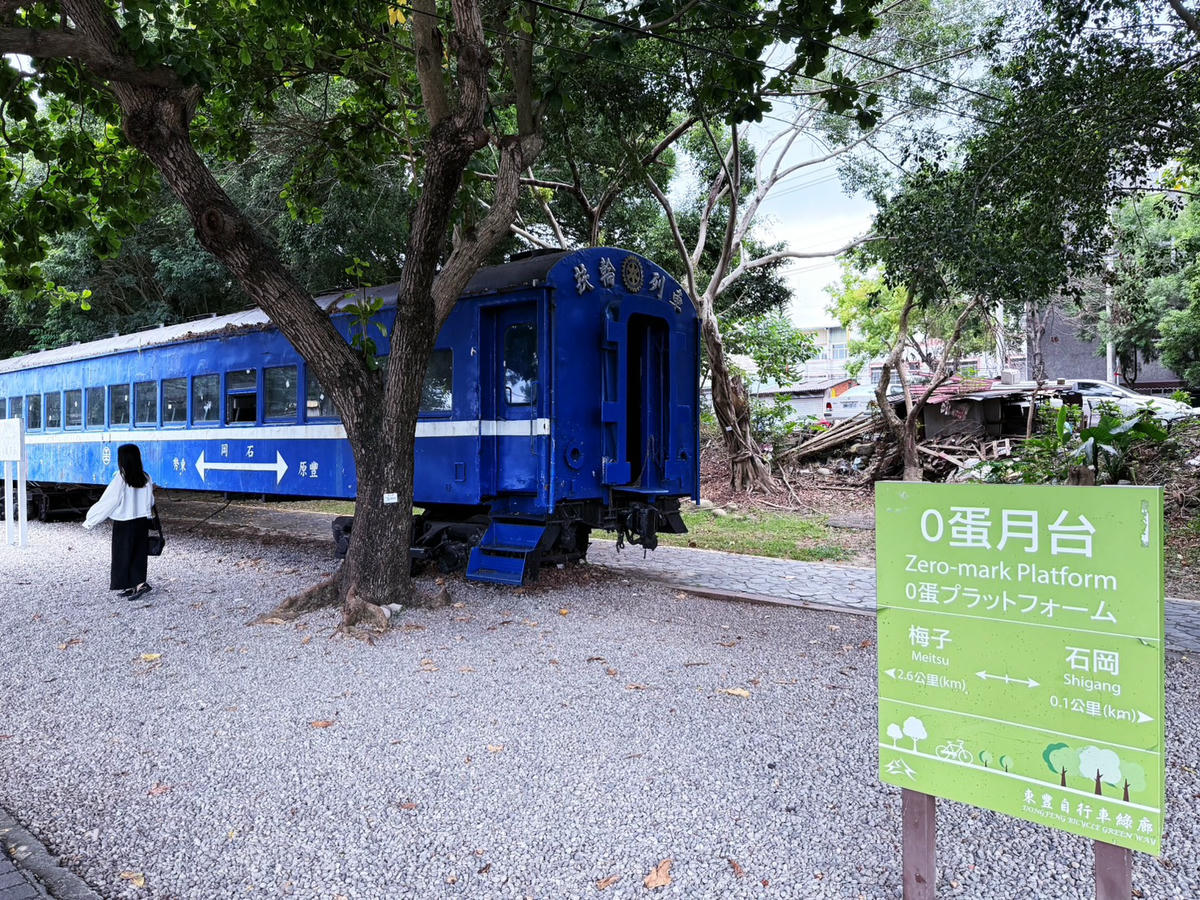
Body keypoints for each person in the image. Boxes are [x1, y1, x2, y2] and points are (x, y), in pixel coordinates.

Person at [83, 443, 156, 599]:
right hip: (142, 521)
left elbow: (109, 501)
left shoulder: (121, 478)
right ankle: (137, 584)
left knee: (122, 554)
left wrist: (91, 519)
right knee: (139, 553)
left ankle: (132, 584)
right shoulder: (146, 477)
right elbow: (150, 501)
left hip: (124, 522)